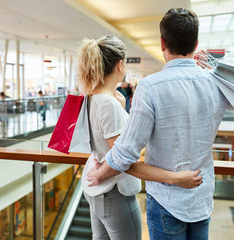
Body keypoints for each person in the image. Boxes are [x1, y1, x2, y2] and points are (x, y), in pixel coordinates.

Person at [87, 8, 229, 240]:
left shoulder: (151, 86)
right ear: (196, 43)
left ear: (162, 43)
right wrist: (216, 64)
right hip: (201, 196)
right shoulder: (215, 82)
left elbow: (125, 152)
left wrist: (100, 174)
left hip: (166, 201)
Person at [77, 35, 202, 240]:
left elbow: (111, 143)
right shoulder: (108, 104)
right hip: (115, 193)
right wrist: (175, 178)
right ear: (119, 65)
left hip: (97, 192)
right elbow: (123, 160)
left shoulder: (93, 98)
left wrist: (122, 108)